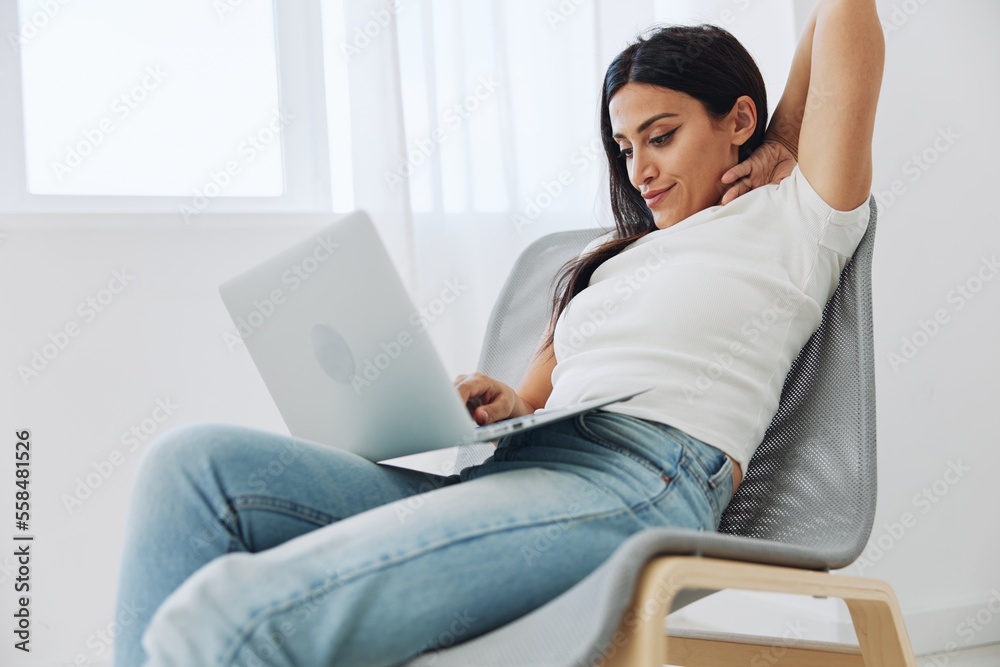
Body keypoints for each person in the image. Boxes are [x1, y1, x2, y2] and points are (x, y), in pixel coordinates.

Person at [113, 3, 884, 665]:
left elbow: (841, 16)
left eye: (662, 135)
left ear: (738, 119)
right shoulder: (606, 268)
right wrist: (504, 399)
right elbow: (537, 397)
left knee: (227, 615)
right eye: (625, 146)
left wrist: (783, 137)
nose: (640, 168)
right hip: (519, 470)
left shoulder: (796, 219)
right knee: (191, 466)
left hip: (638, 481)